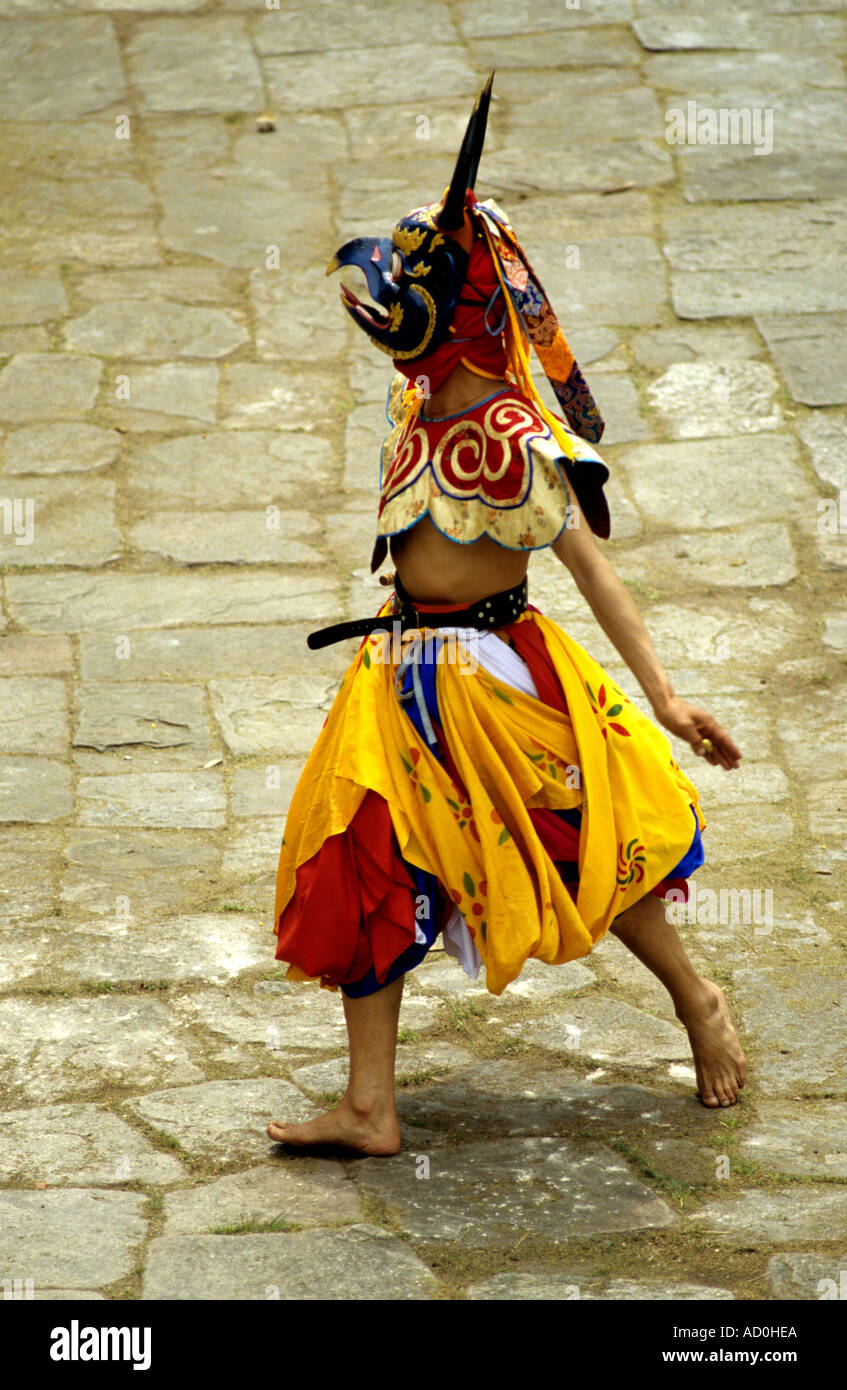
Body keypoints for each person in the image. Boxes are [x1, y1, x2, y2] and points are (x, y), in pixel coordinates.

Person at [267, 76, 747, 1155]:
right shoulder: (415, 399)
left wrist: (664, 696)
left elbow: (593, 573)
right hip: (393, 678)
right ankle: (368, 1104)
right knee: (362, 857)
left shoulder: (518, 436)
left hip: (495, 674)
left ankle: (695, 999)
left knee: (588, 851)